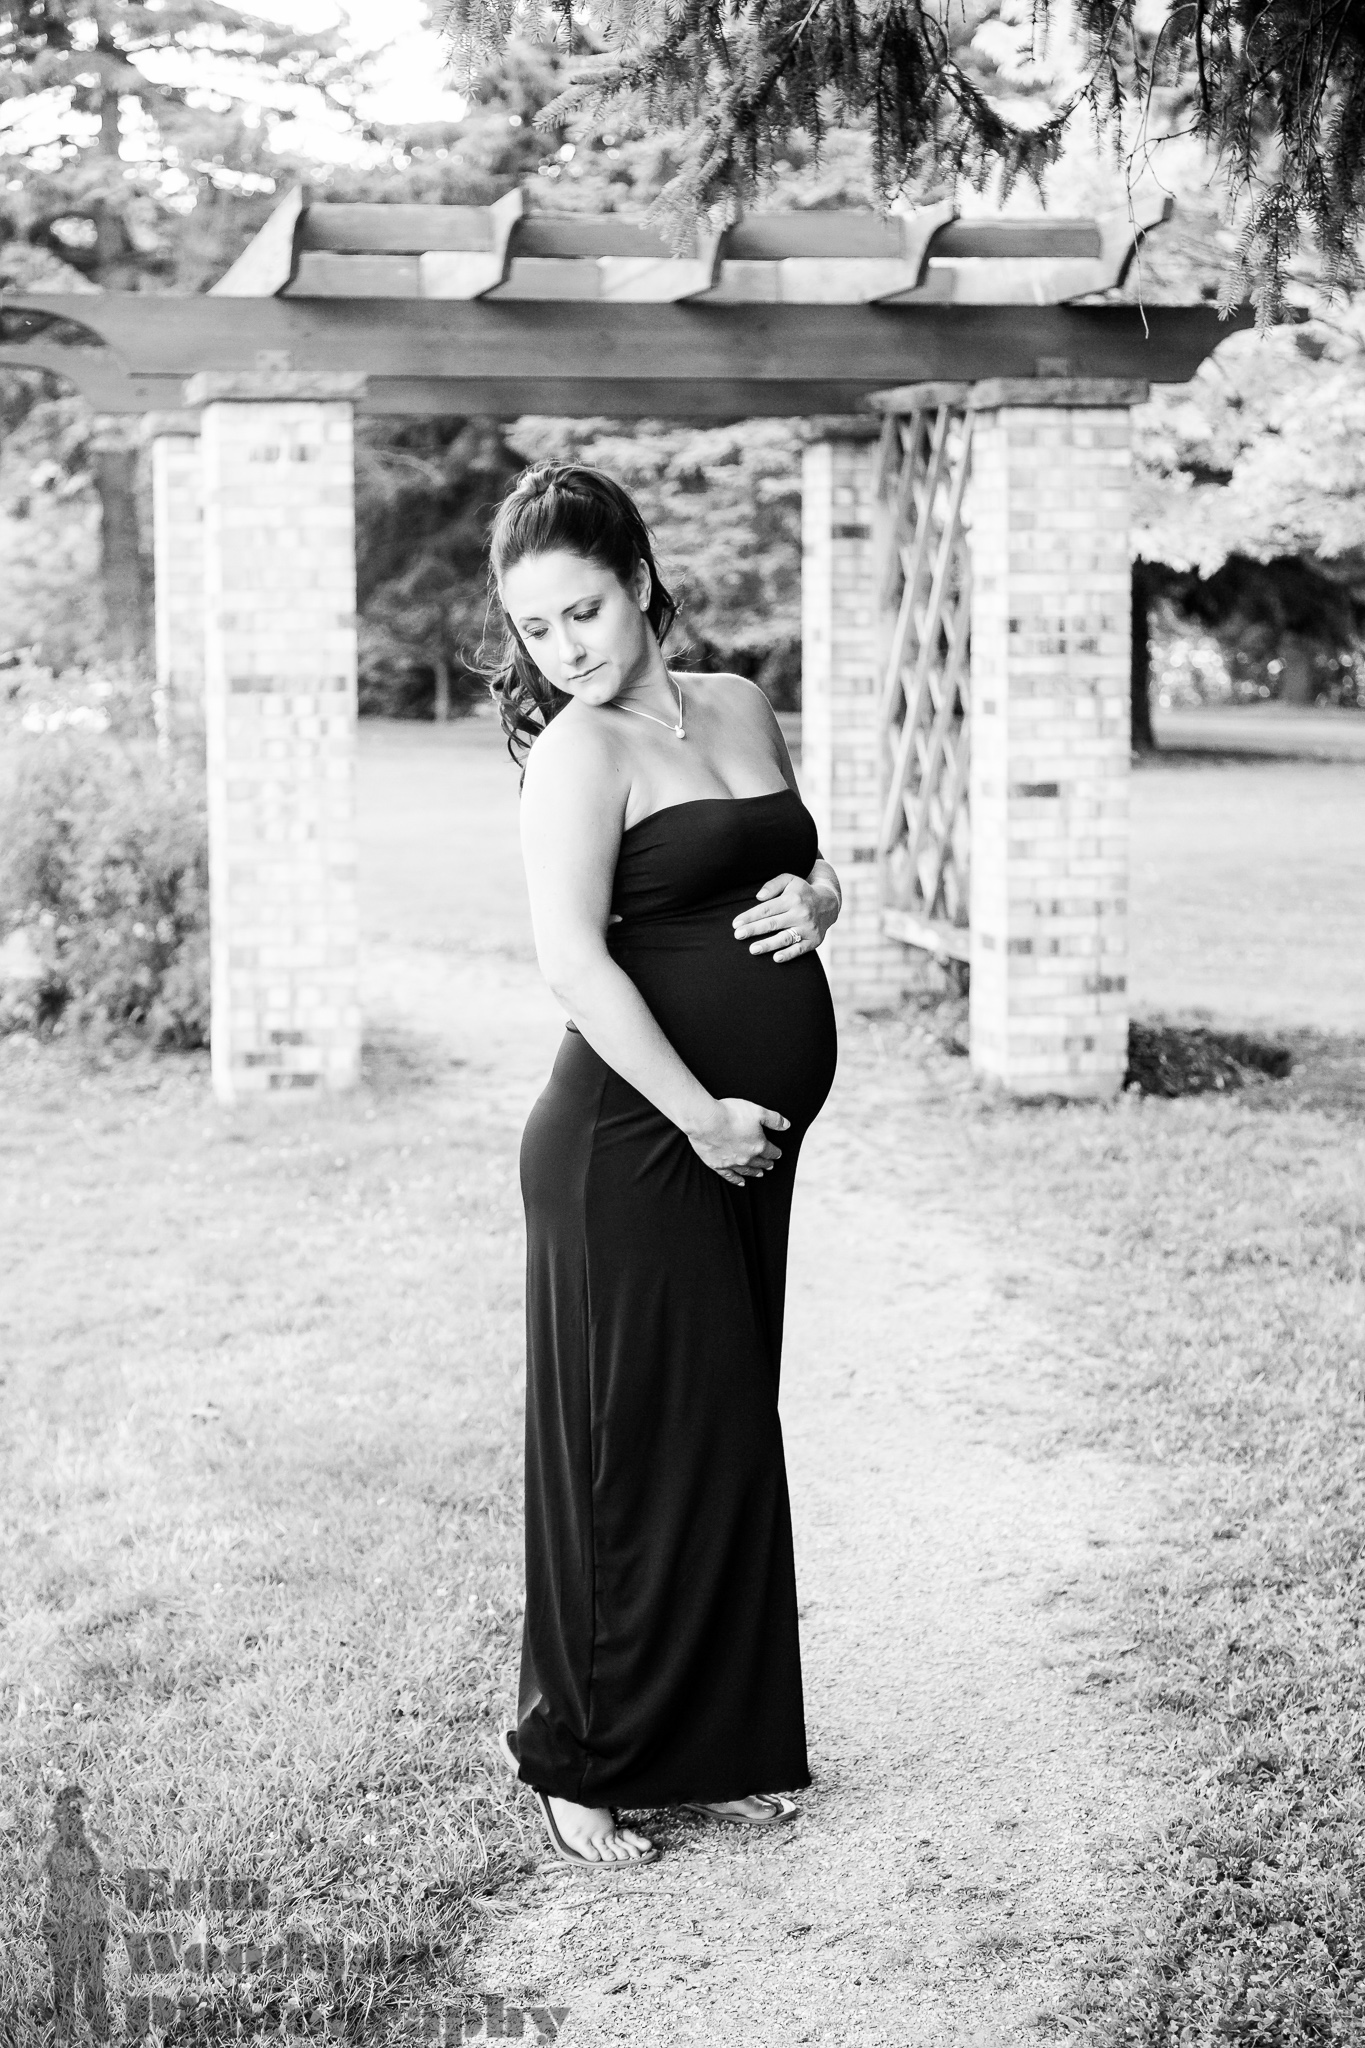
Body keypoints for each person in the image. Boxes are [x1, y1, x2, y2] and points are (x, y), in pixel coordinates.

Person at [487, 462, 841, 1869]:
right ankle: (576, 1760)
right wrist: (699, 1115)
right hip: (634, 1143)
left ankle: (713, 1743)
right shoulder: (579, 753)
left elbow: (805, 864)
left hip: (744, 1145)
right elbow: (572, 961)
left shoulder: (739, 704)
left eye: (582, 610)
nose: (565, 648)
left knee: (723, 1432)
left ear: (638, 580)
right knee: (622, 1452)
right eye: (536, 629)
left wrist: (820, 898)